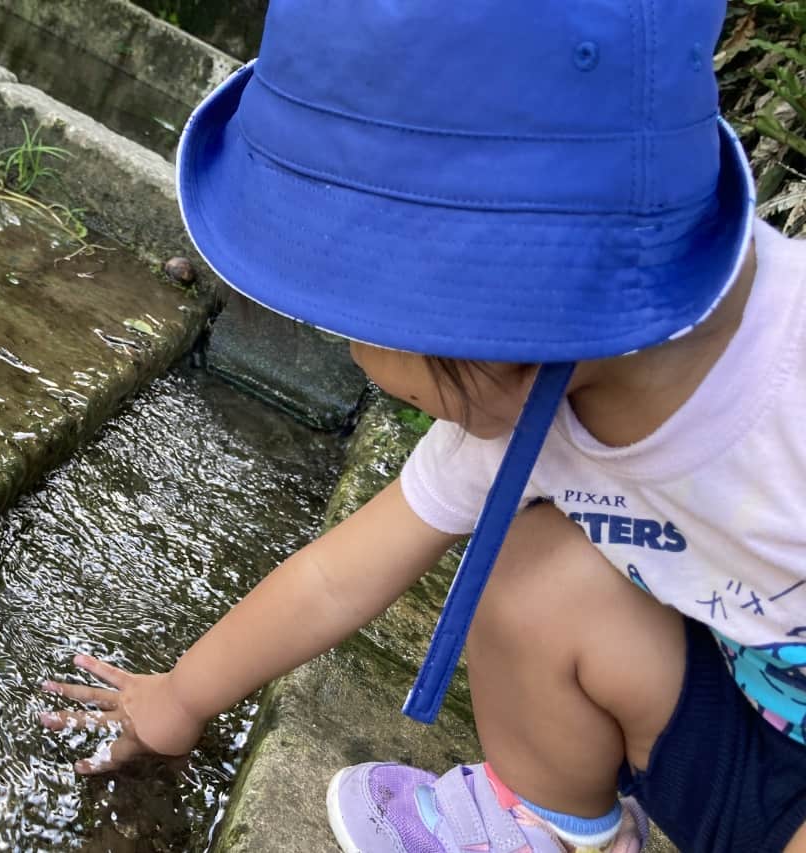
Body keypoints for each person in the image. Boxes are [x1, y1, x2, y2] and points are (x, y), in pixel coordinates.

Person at [40, 1, 806, 850]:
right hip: (736, 731)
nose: (350, 350)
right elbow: (335, 577)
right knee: (534, 575)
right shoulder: (530, 399)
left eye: (359, 330)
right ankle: (548, 822)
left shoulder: (789, 390)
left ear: (488, 331)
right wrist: (180, 697)